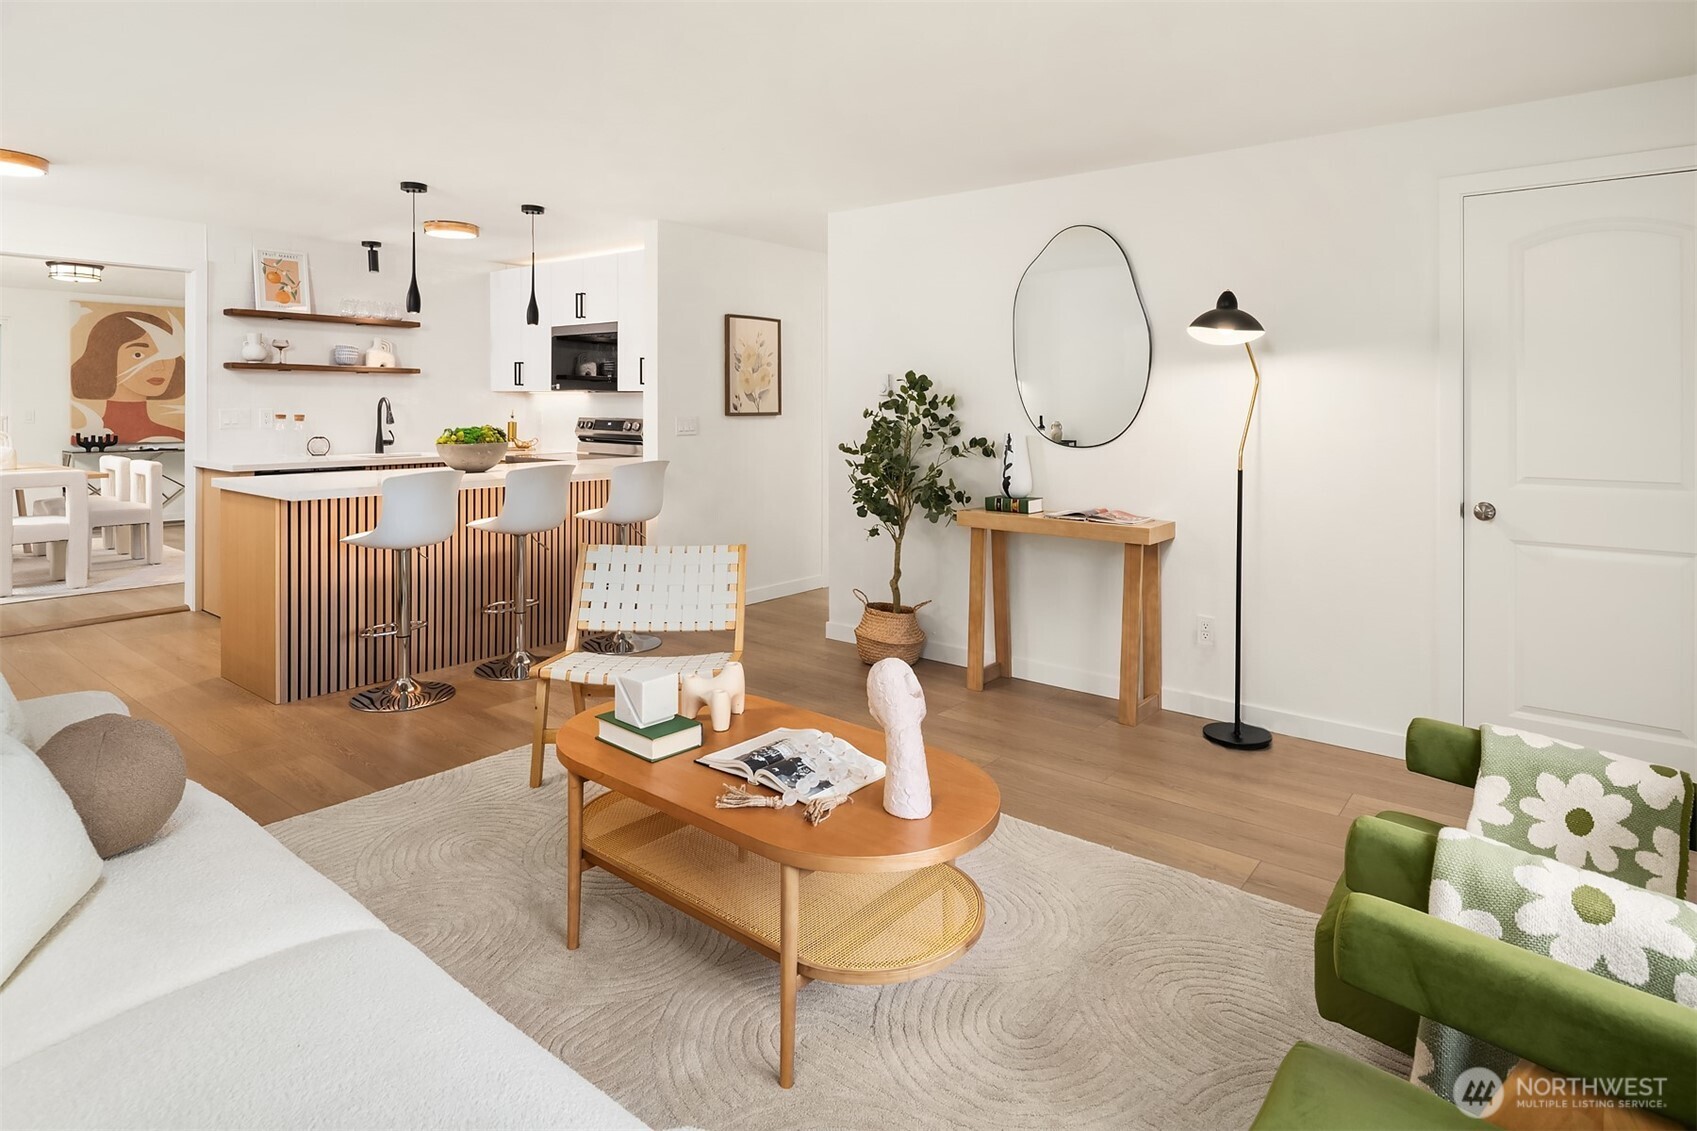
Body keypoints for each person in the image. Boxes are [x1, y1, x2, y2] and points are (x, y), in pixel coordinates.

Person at [70, 309, 185, 442]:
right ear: (107, 358)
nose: (160, 367)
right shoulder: (87, 439)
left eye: (168, 354)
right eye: (138, 354)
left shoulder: (176, 437)